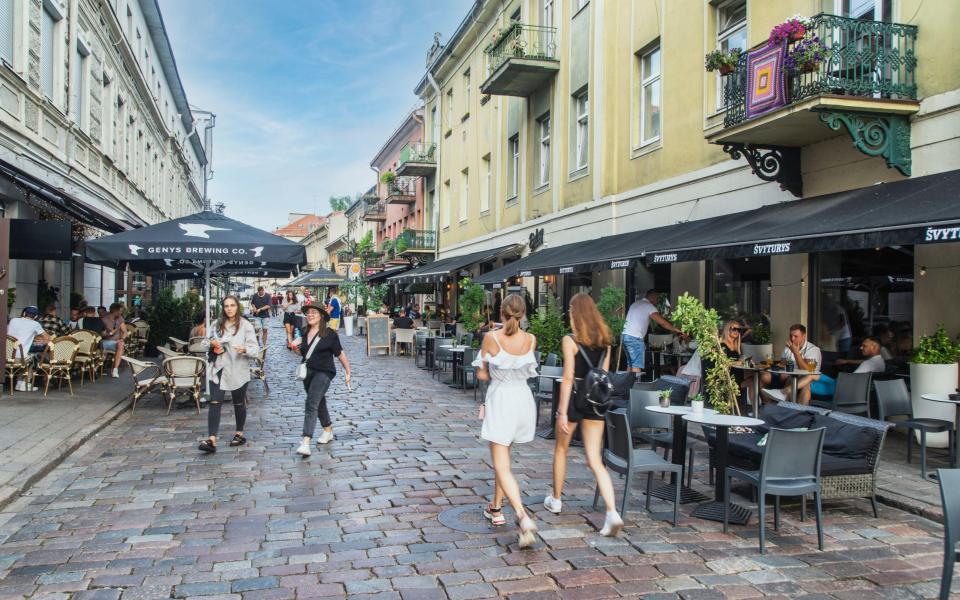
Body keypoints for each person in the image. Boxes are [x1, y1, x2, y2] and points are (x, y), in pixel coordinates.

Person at [545, 293, 624, 537]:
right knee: (595, 459)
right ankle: (612, 513)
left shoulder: (570, 340)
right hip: (595, 400)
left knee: (561, 449)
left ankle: (556, 499)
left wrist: (561, 410)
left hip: (575, 399)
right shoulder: (606, 341)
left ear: (574, 314)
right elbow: (604, 376)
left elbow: (568, 377)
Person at [474, 294, 540, 548]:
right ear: (523, 314)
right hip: (523, 399)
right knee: (506, 459)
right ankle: (496, 508)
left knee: (501, 464)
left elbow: (482, 374)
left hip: (501, 398)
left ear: (501, 312)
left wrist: (487, 367)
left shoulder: (491, 338)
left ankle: (522, 516)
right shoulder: (531, 339)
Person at [198, 296, 259, 453]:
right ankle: (212, 439)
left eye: (232, 305)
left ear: (237, 307)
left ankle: (239, 433)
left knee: (238, 403)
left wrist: (244, 349)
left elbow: (255, 349)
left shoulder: (245, 326)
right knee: (215, 402)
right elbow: (205, 342)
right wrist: (212, 343)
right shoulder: (217, 324)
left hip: (238, 369)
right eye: (226, 306)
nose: (229, 308)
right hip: (218, 369)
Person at [296, 304, 351, 457]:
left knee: (311, 402)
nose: (310, 315)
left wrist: (348, 370)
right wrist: (295, 349)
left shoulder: (330, 334)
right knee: (318, 401)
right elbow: (304, 353)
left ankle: (306, 441)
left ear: (321, 315)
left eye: (314, 312)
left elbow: (339, 353)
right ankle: (327, 430)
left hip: (325, 372)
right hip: (308, 372)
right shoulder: (305, 331)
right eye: (308, 313)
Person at [622, 290, 685, 375]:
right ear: (652, 297)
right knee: (636, 365)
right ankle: (635, 387)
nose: (658, 301)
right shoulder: (649, 306)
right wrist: (677, 330)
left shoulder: (635, 304)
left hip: (625, 336)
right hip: (635, 338)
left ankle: (627, 386)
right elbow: (662, 322)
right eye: (657, 298)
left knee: (630, 364)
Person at [760, 324, 822, 404]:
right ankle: (769, 407)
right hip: (788, 375)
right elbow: (782, 364)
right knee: (763, 376)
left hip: (807, 378)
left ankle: (793, 409)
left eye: (796, 336)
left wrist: (795, 352)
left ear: (804, 336)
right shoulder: (788, 347)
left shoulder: (813, 350)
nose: (792, 339)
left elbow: (806, 370)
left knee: (800, 384)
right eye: (790, 336)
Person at [101, 303, 128, 378]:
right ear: (115, 311)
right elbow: (101, 334)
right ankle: (96, 367)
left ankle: (115, 370)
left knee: (121, 344)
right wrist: (108, 334)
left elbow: (125, 332)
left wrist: (122, 339)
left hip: (115, 342)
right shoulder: (104, 319)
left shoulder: (120, 319)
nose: (121, 312)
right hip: (104, 342)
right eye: (120, 311)